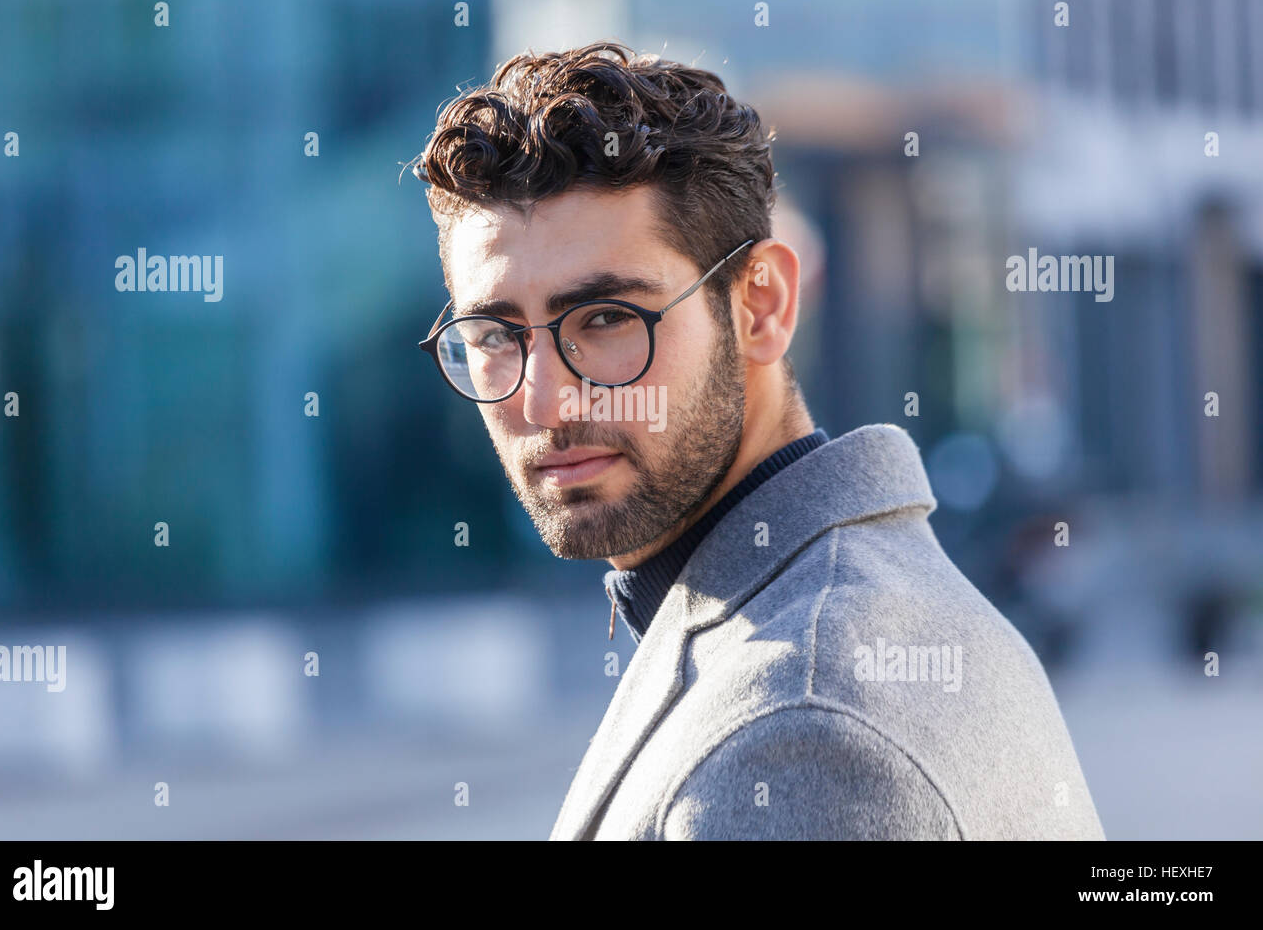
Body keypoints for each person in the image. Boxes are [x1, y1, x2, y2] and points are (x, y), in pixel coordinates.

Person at [411, 41, 1105, 840]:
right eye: (494, 333)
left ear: (760, 307)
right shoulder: (863, 602)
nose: (542, 399)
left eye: (605, 320)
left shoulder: (797, 733)